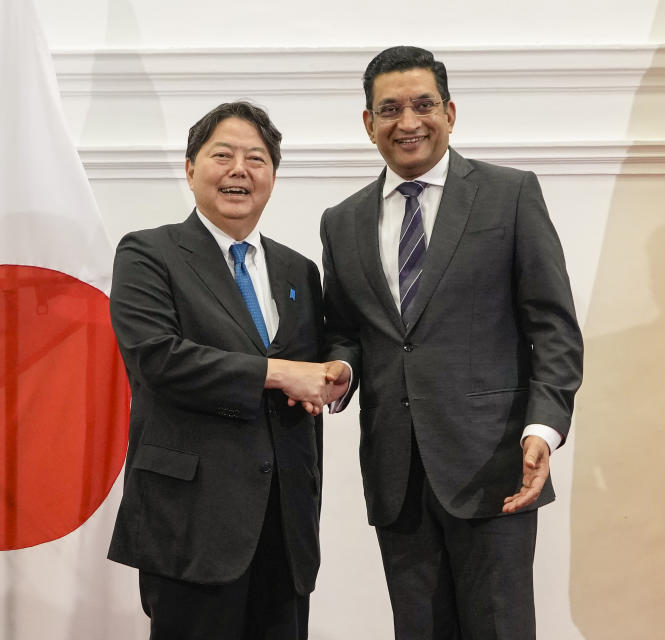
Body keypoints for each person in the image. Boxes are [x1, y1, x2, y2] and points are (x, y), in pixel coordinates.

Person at [320, 46, 584, 639]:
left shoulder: (509, 195)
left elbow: (554, 327)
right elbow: (345, 327)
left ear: (451, 111)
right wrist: (339, 365)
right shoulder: (342, 221)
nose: (407, 121)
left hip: (495, 467)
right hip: (397, 476)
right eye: (389, 109)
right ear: (368, 123)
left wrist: (543, 428)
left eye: (423, 104)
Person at [107, 101, 346, 640]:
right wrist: (280, 373)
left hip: (286, 526)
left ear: (273, 177)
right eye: (223, 155)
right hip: (191, 521)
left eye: (256, 159)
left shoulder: (298, 270)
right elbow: (157, 358)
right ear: (191, 169)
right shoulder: (148, 253)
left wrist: (336, 374)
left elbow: (323, 357)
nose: (240, 169)